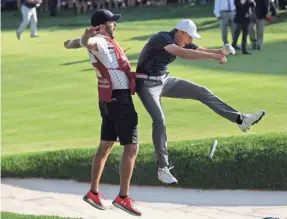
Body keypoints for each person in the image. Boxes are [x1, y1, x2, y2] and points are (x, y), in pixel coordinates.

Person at [135, 19, 266, 184]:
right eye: (189, 37)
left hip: (164, 80)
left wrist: (220, 51)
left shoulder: (181, 42)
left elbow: (199, 49)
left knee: (200, 91)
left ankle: (241, 119)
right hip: (146, 83)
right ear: (180, 32)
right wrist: (214, 57)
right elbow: (185, 55)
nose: (190, 41)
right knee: (159, 120)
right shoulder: (162, 38)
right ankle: (163, 168)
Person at [64, 9, 142, 216]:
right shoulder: (98, 40)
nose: (115, 25)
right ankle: (123, 197)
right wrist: (84, 39)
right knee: (131, 148)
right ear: (101, 26)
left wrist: (73, 41)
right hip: (120, 100)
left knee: (106, 145)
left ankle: (93, 192)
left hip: (106, 100)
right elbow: (86, 43)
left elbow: (74, 43)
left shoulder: (100, 39)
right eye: (111, 22)